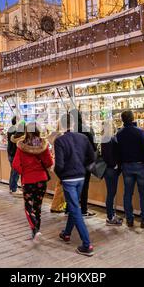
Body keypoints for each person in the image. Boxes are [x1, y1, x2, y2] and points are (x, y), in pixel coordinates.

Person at [54, 112, 96, 257]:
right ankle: (66, 233)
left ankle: (87, 244)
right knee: (74, 206)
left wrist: (61, 175)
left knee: (75, 209)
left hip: (69, 179)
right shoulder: (83, 137)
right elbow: (92, 156)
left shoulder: (59, 141)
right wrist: (82, 168)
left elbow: (58, 165)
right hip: (81, 177)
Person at [12, 122, 53, 242]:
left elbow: (15, 164)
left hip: (28, 180)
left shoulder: (21, 146)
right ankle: (37, 229)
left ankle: (34, 229)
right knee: (38, 205)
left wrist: (24, 171)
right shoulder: (43, 145)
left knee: (28, 205)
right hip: (41, 179)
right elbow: (49, 163)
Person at [115, 110, 144, 229]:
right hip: (141, 166)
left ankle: (130, 219)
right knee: (143, 194)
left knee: (128, 193)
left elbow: (118, 152)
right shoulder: (141, 132)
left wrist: (121, 164)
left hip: (127, 166)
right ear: (133, 118)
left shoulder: (119, 133)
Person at [71, 110, 97, 218]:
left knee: (73, 187)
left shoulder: (70, 130)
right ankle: (83, 210)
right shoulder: (86, 129)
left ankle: (71, 209)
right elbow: (93, 147)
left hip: (73, 163)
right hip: (85, 163)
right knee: (84, 187)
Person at [101, 124, 122, 226]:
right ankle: (110, 217)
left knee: (111, 193)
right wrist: (114, 165)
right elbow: (109, 155)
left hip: (109, 169)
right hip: (111, 170)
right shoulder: (108, 139)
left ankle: (112, 214)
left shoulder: (105, 138)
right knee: (111, 193)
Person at [7, 116, 22, 195]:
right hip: (14, 153)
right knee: (15, 171)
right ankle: (14, 188)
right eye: (20, 120)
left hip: (10, 153)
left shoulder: (11, 129)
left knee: (13, 171)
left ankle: (12, 187)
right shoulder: (15, 130)